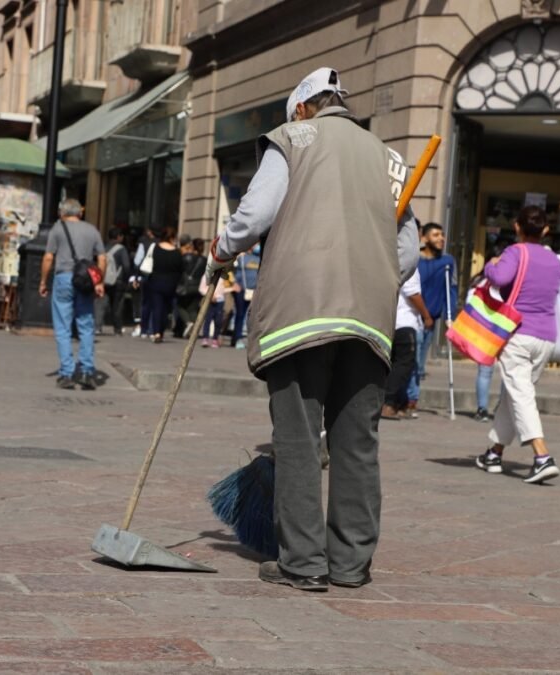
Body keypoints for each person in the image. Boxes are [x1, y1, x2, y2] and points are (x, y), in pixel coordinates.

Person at [205, 67, 419, 591]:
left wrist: (221, 250)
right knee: (356, 442)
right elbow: (408, 253)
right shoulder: (389, 158)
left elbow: (254, 215)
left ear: (303, 107)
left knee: (299, 438)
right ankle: (350, 564)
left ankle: (303, 562)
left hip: (302, 312)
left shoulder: (292, 138)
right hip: (369, 318)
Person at [475, 206, 560, 484]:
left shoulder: (516, 252)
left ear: (517, 227)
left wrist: (491, 264)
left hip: (517, 333)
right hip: (546, 337)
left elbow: (500, 278)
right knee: (515, 394)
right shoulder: (555, 261)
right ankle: (494, 453)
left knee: (521, 395)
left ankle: (542, 456)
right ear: (546, 230)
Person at [39, 198, 106, 390]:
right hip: (85, 281)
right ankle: (86, 371)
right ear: (80, 213)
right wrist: (99, 281)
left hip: (63, 279)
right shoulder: (92, 230)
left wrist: (43, 281)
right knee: (86, 325)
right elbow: (102, 258)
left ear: (62, 212)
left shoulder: (58, 229)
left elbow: (48, 257)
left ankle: (67, 373)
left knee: (63, 327)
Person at [405, 222, 458, 418]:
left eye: (442, 235)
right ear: (425, 238)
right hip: (410, 316)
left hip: (430, 319)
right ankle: (407, 397)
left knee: (418, 362)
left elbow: (451, 289)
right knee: (408, 359)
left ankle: (411, 398)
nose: (441, 239)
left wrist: (449, 314)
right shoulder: (414, 259)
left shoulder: (447, 262)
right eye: (435, 235)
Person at [381, 268, 432, 420]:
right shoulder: (409, 267)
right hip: (404, 322)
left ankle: (397, 403)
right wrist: (426, 315)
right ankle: (388, 402)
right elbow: (413, 293)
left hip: (391, 321)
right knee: (404, 364)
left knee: (396, 363)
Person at [469, 240, 510, 421]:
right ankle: (490, 408)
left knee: (491, 372)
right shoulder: (503, 281)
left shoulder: (478, 281)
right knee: (500, 372)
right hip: (501, 329)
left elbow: (469, 305)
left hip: (485, 330)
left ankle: (483, 409)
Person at [143, 227, 182, 343]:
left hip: (155, 281)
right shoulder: (176, 252)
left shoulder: (155, 248)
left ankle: (156, 332)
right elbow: (180, 269)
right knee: (166, 308)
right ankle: (161, 330)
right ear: (172, 237)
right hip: (171, 283)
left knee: (157, 307)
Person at [102, 228, 132, 335]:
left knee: (101, 303)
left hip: (103, 280)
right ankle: (117, 328)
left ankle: (97, 325)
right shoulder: (121, 249)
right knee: (117, 305)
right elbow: (126, 266)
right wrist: (127, 278)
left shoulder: (103, 247)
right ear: (119, 236)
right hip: (118, 281)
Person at [177, 237, 208, 338]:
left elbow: (181, 270)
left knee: (180, 306)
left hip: (187, 286)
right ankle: (194, 330)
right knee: (193, 308)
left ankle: (188, 322)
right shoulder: (205, 260)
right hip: (198, 286)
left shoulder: (187, 257)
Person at [231, 244, 261, 349]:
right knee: (240, 314)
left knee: (251, 316)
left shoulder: (261, 259)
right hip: (241, 290)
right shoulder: (242, 258)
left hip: (254, 291)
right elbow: (233, 271)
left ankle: (249, 339)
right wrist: (234, 283)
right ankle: (237, 337)